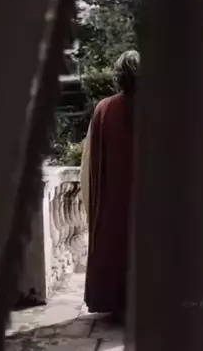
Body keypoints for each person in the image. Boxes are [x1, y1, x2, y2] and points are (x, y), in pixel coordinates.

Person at [79, 50, 140, 326]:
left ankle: (119, 304)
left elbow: (91, 163)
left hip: (115, 198)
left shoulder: (104, 109)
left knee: (117, 246)